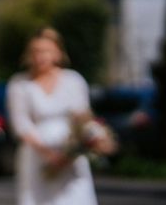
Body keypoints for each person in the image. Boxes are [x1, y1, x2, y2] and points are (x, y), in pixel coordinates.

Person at [6, 27, 98, 205]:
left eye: (46, 51)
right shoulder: (20, 84)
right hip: (36, 156)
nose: (40, 56)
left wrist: (75, 149)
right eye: (36, 52)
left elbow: (83, 118)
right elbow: (21, 124)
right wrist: (48, 154)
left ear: (57, 53)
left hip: (70, 156)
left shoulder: (74, 80)